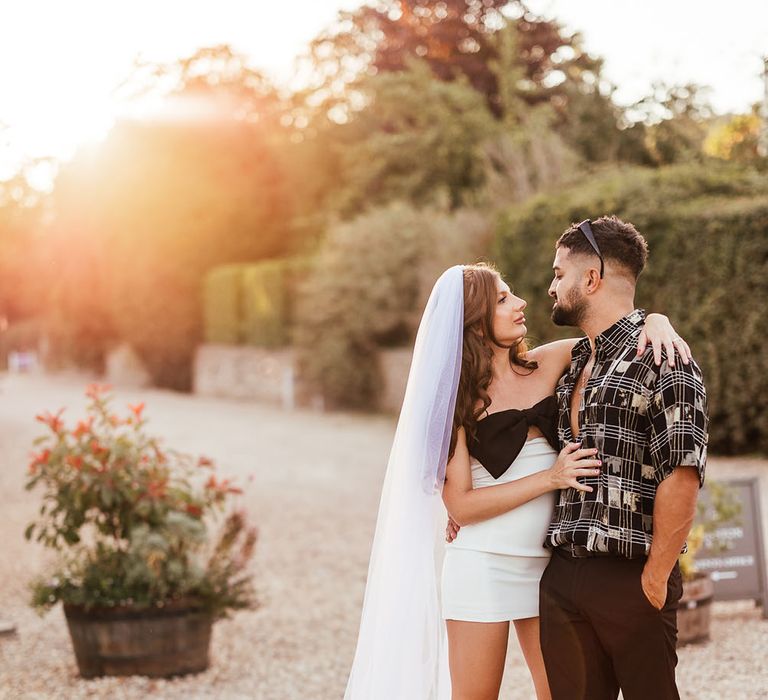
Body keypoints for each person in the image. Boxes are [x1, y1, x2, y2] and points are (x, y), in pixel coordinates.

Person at [344, 254, 689, 699]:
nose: (521, 302)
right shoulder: (455, 404)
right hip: (482, 565)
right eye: (504, 299)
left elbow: (614, 332)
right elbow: (461, 506)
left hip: (550, 572)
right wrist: (551, 477)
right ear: (474, 321)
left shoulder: (552, 362)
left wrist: (657, 320)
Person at [536, 216, 708, 700]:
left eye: (558, 274)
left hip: (630, 578)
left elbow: (684, 473)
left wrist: (653, 580)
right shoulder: (572, 365)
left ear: (592, 279)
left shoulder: (665, 357)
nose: (551, 286)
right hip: (563, 578)